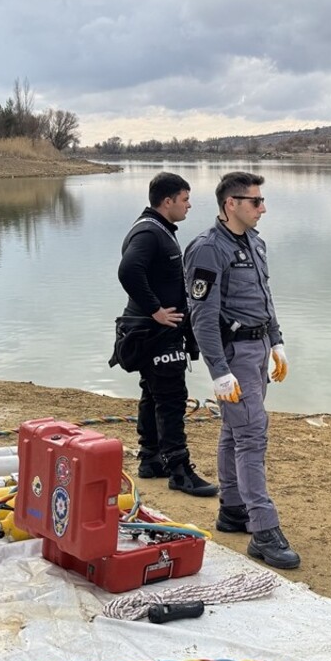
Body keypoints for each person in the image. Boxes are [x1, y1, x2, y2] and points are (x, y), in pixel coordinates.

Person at [183, 171, 298, 569]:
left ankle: (232, 510)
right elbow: (202, 315)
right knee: (252, 434)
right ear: (231, 204)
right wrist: (219, 371)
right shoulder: (207, 250)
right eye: (255, 201)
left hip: (257, 349)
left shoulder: (254, 242)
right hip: (233, 355)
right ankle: (264, 532)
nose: (262, 208)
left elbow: (264, 297)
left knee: (235, 429)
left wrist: (277, 341)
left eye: (262, 200)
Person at [113, 172, 218, 498]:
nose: (189, 205)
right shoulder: (149, 233)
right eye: (185, 199)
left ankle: (151, 459)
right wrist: (156, 309)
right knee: (171, 399)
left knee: (152, 393)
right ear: (168, 201)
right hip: (157, 332)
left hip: (151, 331)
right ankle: (179, 470)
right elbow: (128, 270)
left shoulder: (157, 230)